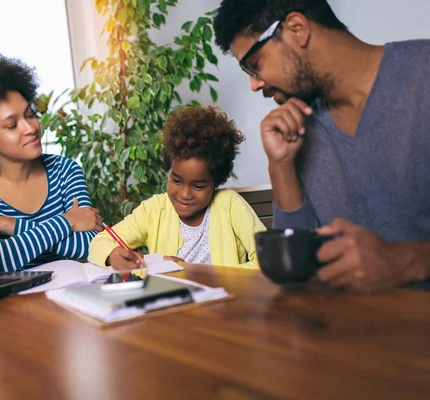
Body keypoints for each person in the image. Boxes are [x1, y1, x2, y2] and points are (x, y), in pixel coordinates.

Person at [213, 0, 430, 292]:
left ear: (297, 28)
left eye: (254, 64)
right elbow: (296, 268)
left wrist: (407, 260)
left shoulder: (422, 75)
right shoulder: (302, 123)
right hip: (349, 330)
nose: (254, 85)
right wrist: (280, 164)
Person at [0, 51, 103, 274]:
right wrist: (68, 222)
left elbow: (91, 245)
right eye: (12, 125)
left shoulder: (65, 171)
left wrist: (1, 223)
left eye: (30, 114)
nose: (31, 128)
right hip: (15, 306)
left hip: (74, 297)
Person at [88, 106, 266, 270]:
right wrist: (112, 255)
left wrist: (198, 272)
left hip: (225, 301)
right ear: (168, 172)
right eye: (177, 181)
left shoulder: (230, 205)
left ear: (216, 181)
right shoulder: (154, 210)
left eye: (198, 186)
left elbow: (267, 261)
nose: (184, 194)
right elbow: (100, 242)